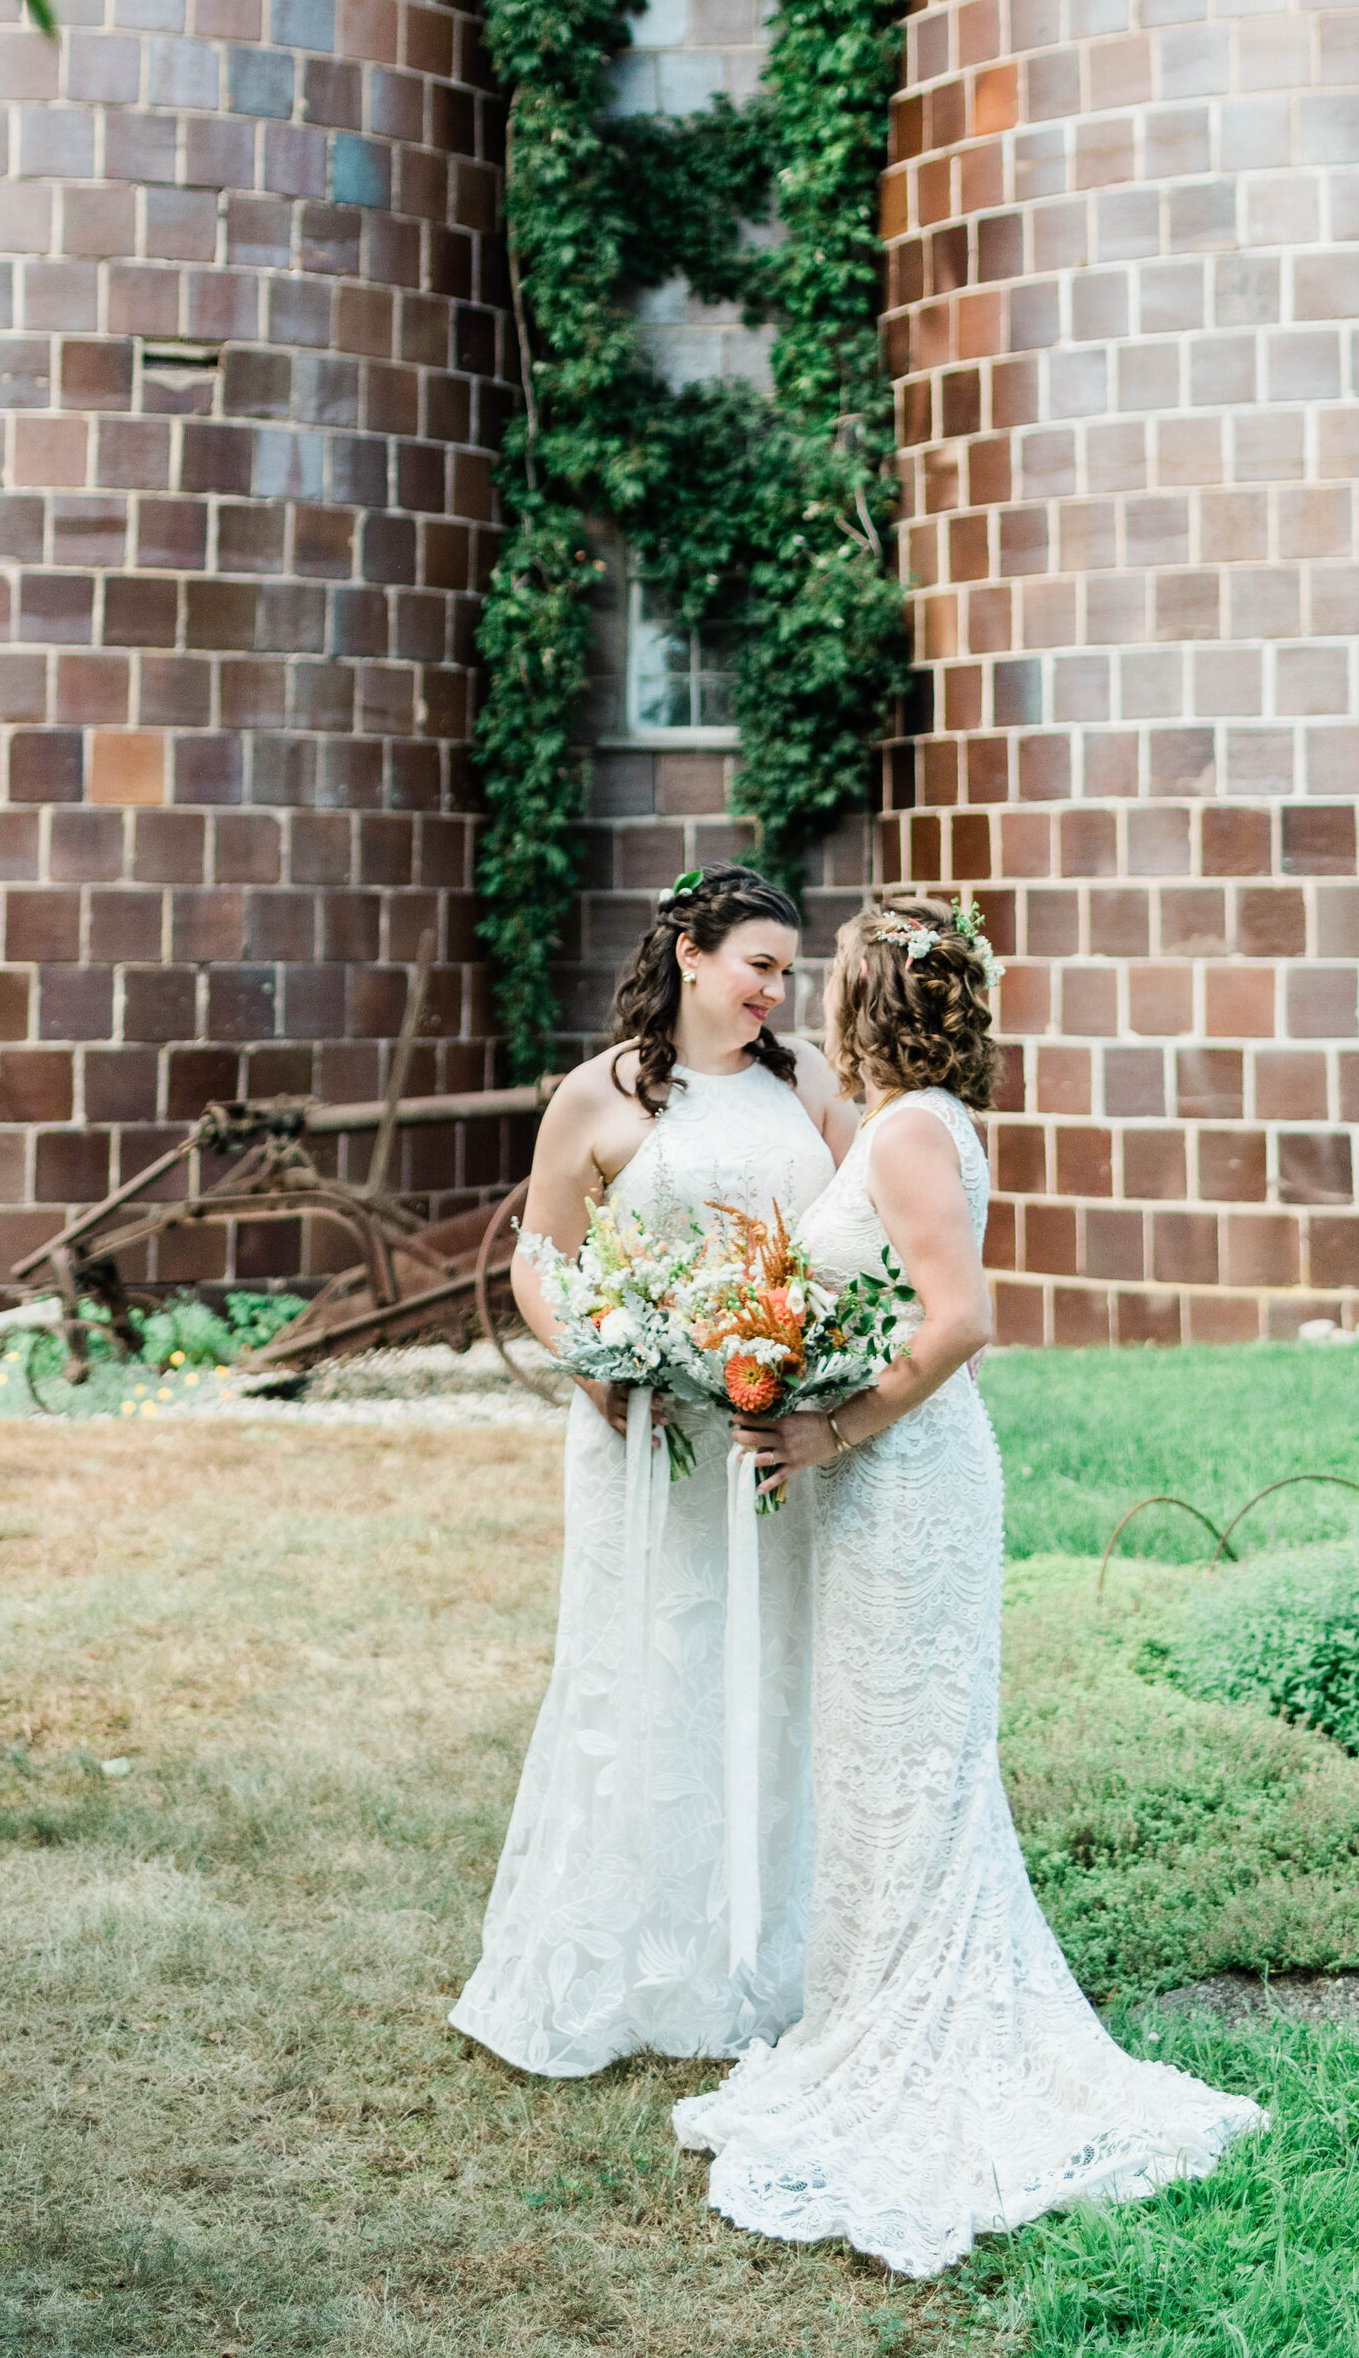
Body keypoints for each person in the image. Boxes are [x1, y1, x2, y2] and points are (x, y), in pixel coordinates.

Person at [673, 893, 1264, 2277]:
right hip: (884, 1485)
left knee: (914, 1759)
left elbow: (964, 1319)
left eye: (824, 980)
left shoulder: (913, 1129)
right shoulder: (906, 1120)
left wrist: (827, 1424)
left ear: (864, 998)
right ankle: (873, 2003)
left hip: (911, 1488)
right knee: (880, 1759)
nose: (807, 995)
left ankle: (927, 2033)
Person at [449, 863, 853, 2075]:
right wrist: (592, 1355)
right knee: (650, 1662)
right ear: (690, 951)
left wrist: (808, 1353)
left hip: (765, 1434)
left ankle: (773, 1952)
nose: (776, 993)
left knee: (774, 1667)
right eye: (760, 965)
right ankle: (639, 1956)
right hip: (646, 1438)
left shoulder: (810, 1085)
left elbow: (846, 1237)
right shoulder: (598, 1095)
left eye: (788, 972)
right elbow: (540, 1253)